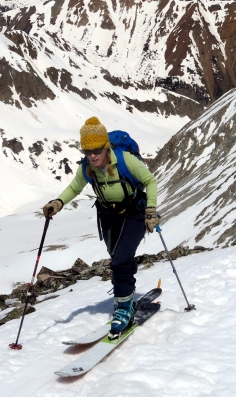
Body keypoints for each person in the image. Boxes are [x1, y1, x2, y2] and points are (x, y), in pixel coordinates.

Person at [42, 117, 160, 334]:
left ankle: (124, 306)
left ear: (106, 147)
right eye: (87, 151)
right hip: (108, 215)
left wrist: (150, 210)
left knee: (122, 258)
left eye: (96, 150)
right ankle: (124, 295)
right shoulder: (88, 167)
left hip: (134, 211)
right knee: (116, 258)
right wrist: (57, 203)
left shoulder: (124, 160)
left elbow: (150, 180)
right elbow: (75, 187)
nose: (92, 155)